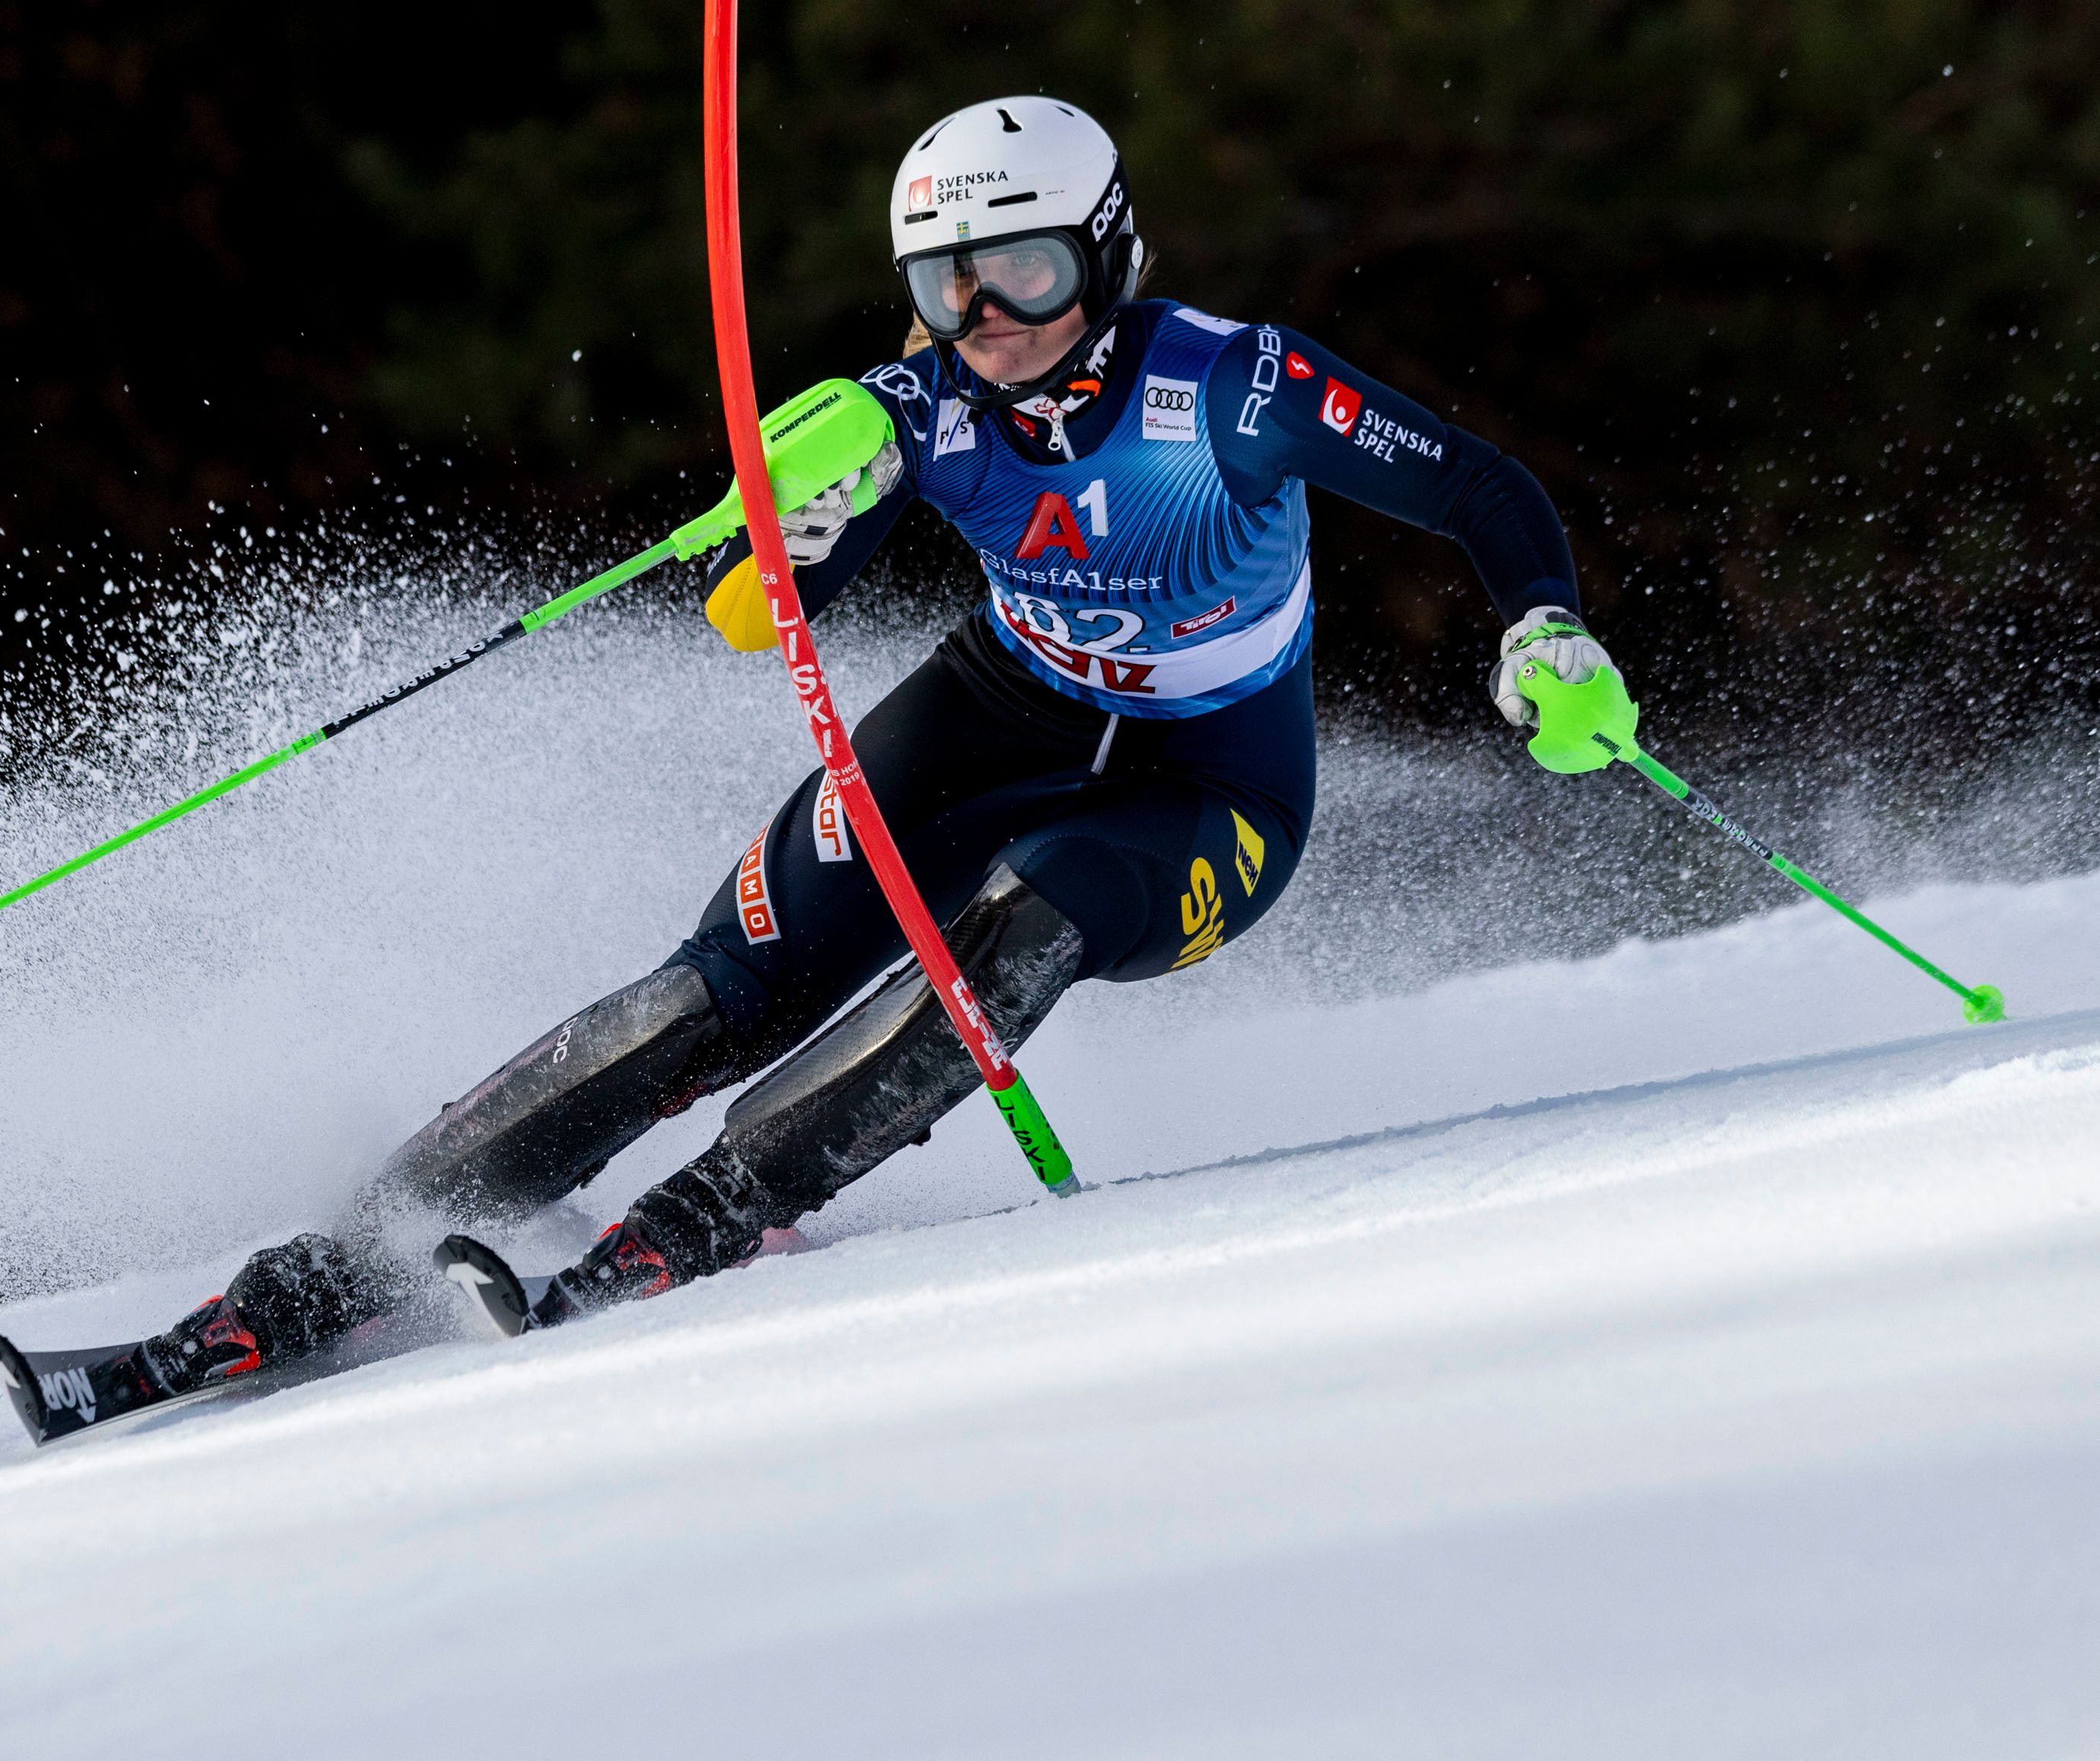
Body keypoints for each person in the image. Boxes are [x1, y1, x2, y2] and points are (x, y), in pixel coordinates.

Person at [129, 95, 1622, 1391]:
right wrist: (792, 522)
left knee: (1016, 927)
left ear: (1105, 256)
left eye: (1025, 275)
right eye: (947, 285)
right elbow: (744, 607)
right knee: (710, 996)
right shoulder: (913, 404)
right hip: (996, 708)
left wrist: (1540, 626)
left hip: (1211, 782)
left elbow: (1480, 489)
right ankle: (354, 1249)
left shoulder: (1229, 388)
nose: (989, 323)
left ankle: (725, 1203)